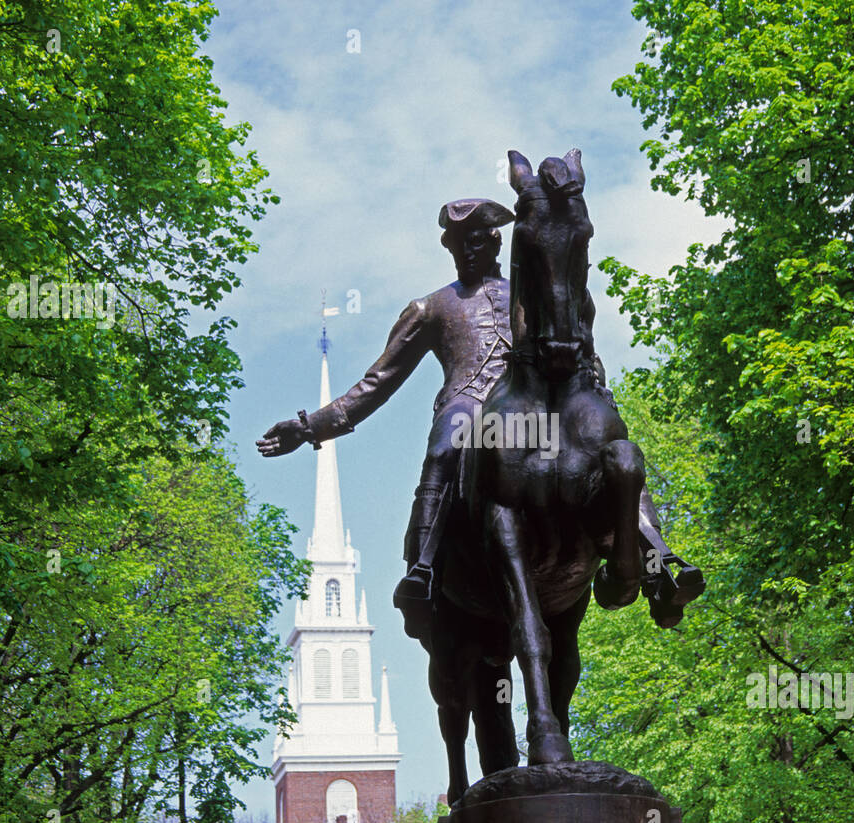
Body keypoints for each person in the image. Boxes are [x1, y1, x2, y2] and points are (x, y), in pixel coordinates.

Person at [257, 198, 701, 637]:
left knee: (611, 449)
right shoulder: (429, 309)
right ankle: (424, 570)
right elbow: (377, 383)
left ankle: (655, 561)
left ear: (495, 240)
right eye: (458, 244)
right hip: (468, 403)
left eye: (477, 242)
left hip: (537, 405)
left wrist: (595, 386)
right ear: (449, 248)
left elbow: (581, 343)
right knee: (445, 448)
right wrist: (308, 427)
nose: (468, 253)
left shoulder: (533, 294)